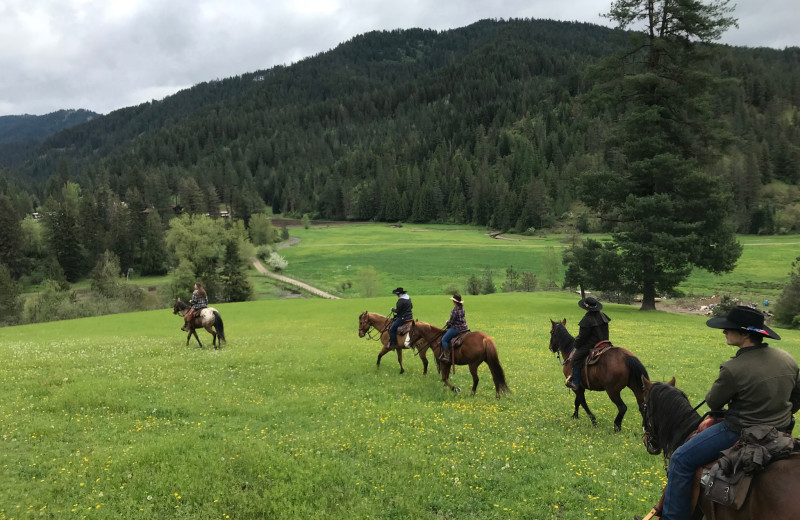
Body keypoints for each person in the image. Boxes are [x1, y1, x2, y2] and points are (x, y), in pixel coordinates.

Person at [636, 305, 800, 520]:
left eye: (728, 328)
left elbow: (713, 402)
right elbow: (797, 396)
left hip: (739, 431)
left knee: (680, 459)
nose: (724, 332)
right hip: (780, 430)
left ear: (744, 334)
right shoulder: (787, 358)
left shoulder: (734, 368)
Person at [566, 296, 611, 391]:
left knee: (575, 359)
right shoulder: (603, 315)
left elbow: (582, 337)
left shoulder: (587, 319)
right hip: (605, 343)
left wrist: (576, 344)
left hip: (591, 345)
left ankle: (576, 383)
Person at [440, 293, 468, 363]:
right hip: (465, 327)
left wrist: (447, 322)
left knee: (444, 339)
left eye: (453, 300)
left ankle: (446, 356)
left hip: (457, 328)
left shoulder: (454, 310)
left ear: (454, 301)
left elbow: (451, 322)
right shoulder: (462, 308)